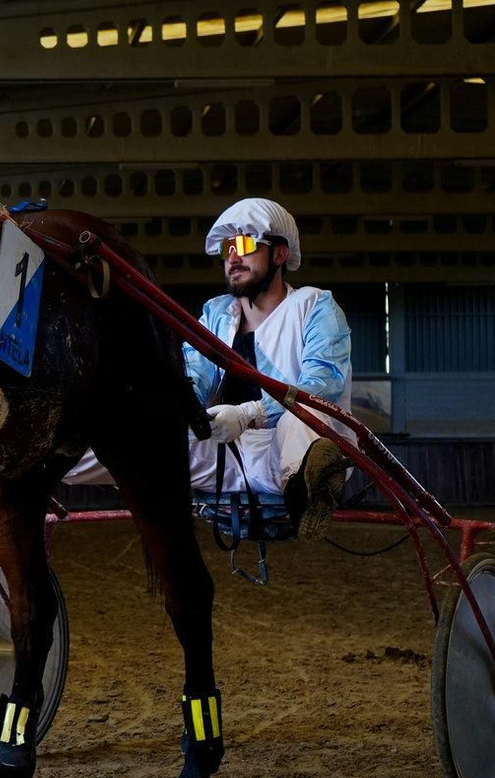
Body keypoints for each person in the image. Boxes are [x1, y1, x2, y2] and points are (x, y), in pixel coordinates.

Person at [66, 198, 352, 539]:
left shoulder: (314, 305)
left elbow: (323, 386)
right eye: (226, 249)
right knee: (100, 445)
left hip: (289, 448)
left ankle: (308, 491)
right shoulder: (217, 314)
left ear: (280, 254)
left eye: (244, 244)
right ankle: (51, 453)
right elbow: (192, 380)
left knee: (301, 414)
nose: (232, 256)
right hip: (225, 455)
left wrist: (249, 413)